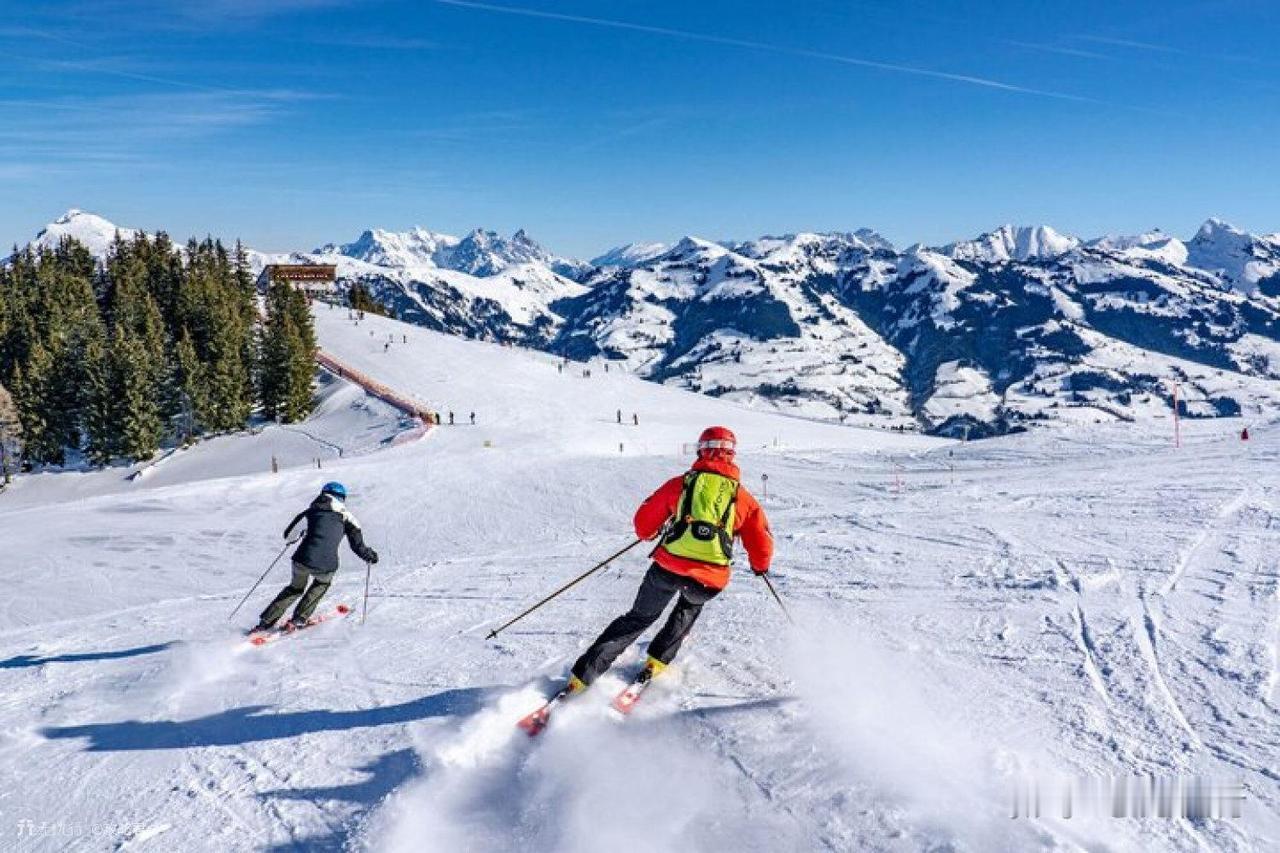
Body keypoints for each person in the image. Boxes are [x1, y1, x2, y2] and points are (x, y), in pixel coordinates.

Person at [566, 426, 772, 693]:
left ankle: (583, 677)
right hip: (708, 580)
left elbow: (643, 526)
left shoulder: (681, 485)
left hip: (667, 568)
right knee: (686, 611)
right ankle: (657, 661)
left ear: (701, 449)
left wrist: (655, 531)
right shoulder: (742, 498)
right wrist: (760, 566)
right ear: (732, 455)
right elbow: (761, 540)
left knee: (639, 617)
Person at [255, 482, 379, 631]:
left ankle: (265, 622)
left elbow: (289, 536)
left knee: (295, 588)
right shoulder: (348, 517)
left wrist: (303, 533)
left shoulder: (309, 513)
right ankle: (299, 618)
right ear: (341, 498)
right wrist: (370, 556)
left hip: (301, 559)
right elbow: (357, 546)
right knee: (321, 584)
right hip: (326, 564)